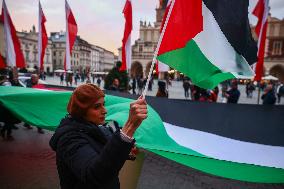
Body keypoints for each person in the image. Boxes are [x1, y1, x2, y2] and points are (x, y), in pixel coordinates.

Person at [49, 84, 147, 189]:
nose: (104, 110)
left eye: (103, 104)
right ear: (81, 111)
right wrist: (129, 127)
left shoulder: (97, 129)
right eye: (97, 107)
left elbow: (107, 150)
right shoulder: (69, 139)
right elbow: (96, 175)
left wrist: (126, 148)